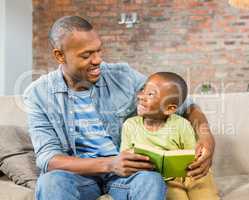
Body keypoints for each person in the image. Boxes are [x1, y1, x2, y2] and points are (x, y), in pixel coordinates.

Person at [23, 15, 215, 200]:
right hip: (80, 176)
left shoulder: (122, 76)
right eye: (87, 55)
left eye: (99, 50)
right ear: (60, 55)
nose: (97, 60)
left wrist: (206, 137)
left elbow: (188, 107)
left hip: (126, 175)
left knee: (151, 180)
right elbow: (49, 159)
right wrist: (109, 164)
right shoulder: (38, 94)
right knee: (51, 182)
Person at [120, 72, 219, 200]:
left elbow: (191, 155)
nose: (141, 97)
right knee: (174, 194)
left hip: (190, 174)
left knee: (204, 191)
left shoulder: (182, 124)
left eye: (150, 94)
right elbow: (125, 156)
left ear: (169, 109)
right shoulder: (130, 125)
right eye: (142, 90)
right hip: (162, 179)